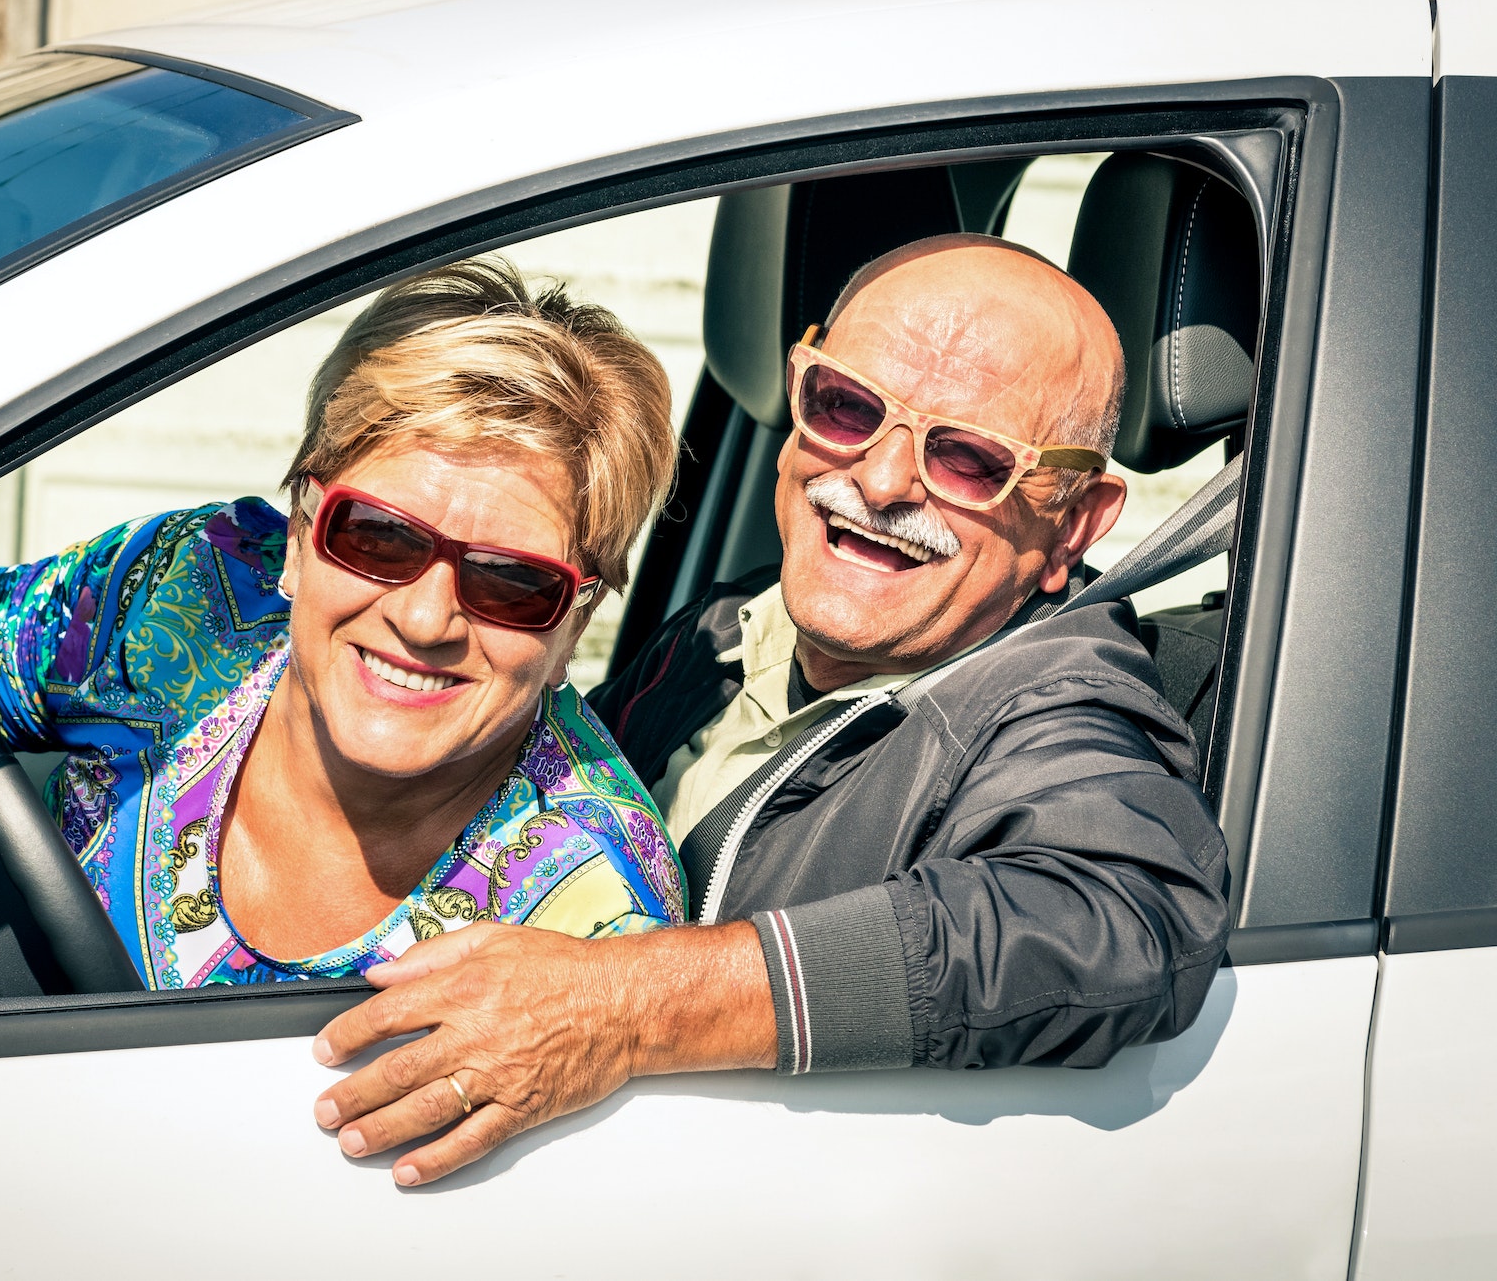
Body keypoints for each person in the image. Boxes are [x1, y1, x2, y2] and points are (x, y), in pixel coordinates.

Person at [310, 234, 1230, 1185]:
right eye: (847, 407)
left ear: (1074, 522)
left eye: (968, 459)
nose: (878, 482)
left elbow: (1121, 917)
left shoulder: (1055, 705)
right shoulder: (720, 631)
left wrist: (625, 1007)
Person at [0, 259, 685, 988]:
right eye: (375, 536)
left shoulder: (590, 925)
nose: (424, 616)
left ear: (574, 624)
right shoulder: (190, 592)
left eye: (512, 584)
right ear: (295, 537)